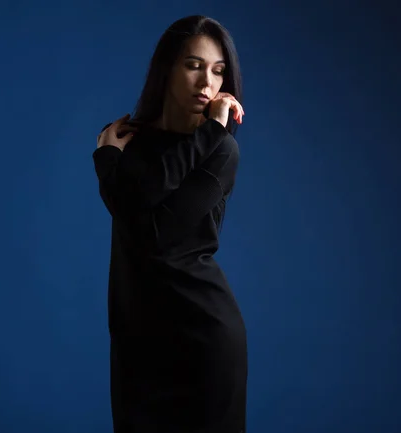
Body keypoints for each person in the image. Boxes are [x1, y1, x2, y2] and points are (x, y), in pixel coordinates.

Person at [92, 15, 247, 433]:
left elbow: (156, 236)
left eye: (218, 71)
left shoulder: (221, 150)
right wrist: (113, 164)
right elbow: (134, 207)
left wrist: (108, 163)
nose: (207, 82)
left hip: (202, 340)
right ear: (167, 68)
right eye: (193, 65)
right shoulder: (133, 142)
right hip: (136, 344)